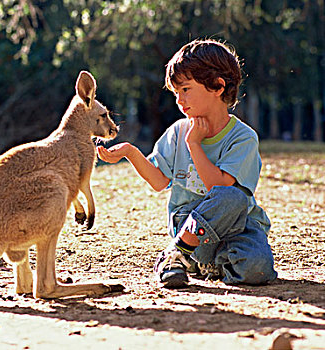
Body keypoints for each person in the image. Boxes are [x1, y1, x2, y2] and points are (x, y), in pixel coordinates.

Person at [97, 38, 277, 288]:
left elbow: (220, 190)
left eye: (186, 89)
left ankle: (198, 261)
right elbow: (160, 182)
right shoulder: (177, 132)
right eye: (175, 93)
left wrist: (195, 145)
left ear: (217, 86)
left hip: (236, 230)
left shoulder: (243, 138)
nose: (179, 100)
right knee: (230, 199)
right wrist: (130, 152)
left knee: (256, 268)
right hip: (189, 227)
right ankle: (179, 254)